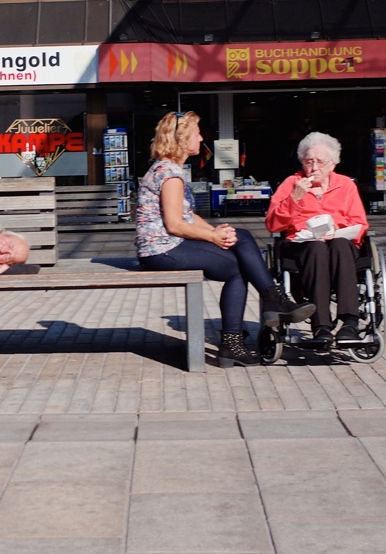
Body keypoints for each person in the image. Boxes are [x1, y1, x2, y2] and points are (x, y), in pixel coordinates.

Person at [135, 111, 315, 367]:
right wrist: (213, 236)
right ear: (182, 139)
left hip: (165, 246)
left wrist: (217, 233)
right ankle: (251, 323)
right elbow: (175, 224)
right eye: (196, 133)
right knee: (236, 269)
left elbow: (188, 216)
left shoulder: (171, 169)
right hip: (160, 250)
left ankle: (266, 307)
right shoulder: (170, 174)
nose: (200, 137)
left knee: (239, 238)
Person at [266, 131, 369, 347]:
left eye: (320, 162)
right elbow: (273, 224)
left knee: (340, 244)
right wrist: (295, 198)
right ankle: (321, 326)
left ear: (333, 163)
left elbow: (360, 223)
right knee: (316, 247)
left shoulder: (346, 185)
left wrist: (339, 232)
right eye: (308, 161)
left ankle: (350, 322)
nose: (314, 168)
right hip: (303, 246)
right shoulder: (292, 183)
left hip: (341, 244)